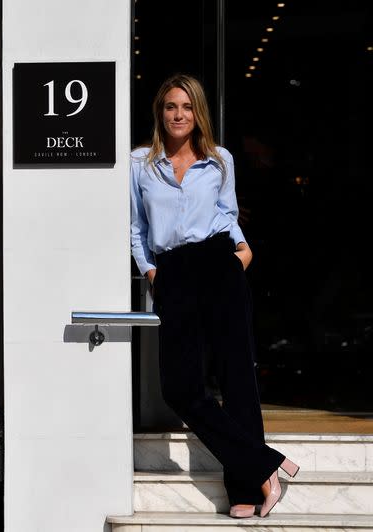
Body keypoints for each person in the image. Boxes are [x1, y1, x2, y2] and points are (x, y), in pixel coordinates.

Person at [129, 74, 299, 518]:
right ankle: (267, 464)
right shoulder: (139, 164)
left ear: (197, 112)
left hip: (218, 264)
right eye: (170, 106)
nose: (178, 114)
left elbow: (227, 216)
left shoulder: (220, 160)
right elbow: (136, 229)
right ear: (160, 112)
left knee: (237, 378)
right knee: (180, 388)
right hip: (173, 273)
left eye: (186, 107)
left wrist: (242, 255)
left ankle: (245, 488)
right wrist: (151, 273)